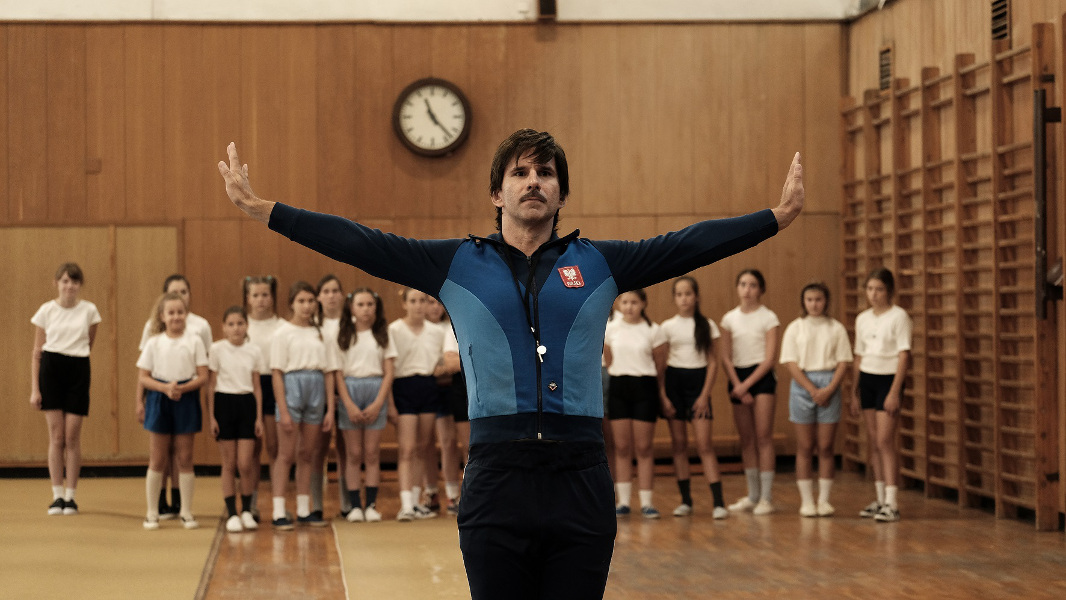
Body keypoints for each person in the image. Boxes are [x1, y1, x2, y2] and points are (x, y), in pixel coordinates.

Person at [219, 129, 803, 599]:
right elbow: (359, 242)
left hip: (580, 478)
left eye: (545, 173)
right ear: (496, 194)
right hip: (496, 480)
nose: (533, 181)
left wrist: (774, 217)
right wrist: (264, 210)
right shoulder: (454, 264)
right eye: (520, 172)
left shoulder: (600, 262)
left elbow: (690, 244)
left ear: (561, 195)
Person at [138, 274, 212, 520]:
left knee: (185, 457)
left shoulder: (194, 340)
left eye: (180, 312)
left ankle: (186, 511)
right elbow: (144, 377)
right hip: (160, 398)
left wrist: (183, 388)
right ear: (162, 316)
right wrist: (164, 389)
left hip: (186, 399)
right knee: (158, 457)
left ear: (186, 314)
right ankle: (152, 511)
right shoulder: (154, 342)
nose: (176, 317)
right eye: (171, 313)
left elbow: (203, 375)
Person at [30, 263, 102, 516]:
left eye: (74, 281)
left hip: (77, 368)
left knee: (72, 436)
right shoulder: (46, 311)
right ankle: (57, 495)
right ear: (56, 283)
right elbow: (37, 353)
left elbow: (89, 343)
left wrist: (75, 358)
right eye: (65, 281)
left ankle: (71, 496)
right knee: (56, 436)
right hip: (51, 369)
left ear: (80, 285)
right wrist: (35, 389)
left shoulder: (89, 311)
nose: (69, 286)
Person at [268, 281, 338, 529]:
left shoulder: (322, 333)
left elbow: (329, 372)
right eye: (301, 301)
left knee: (308, 453)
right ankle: (278, 510)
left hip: (316, 389)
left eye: (310, 301)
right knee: (286, 454)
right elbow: (277, 373)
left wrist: (330, 409)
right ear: (291, 304)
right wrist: (283, 409)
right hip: (292, 388)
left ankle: (304, 509)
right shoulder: (282, 333)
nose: (306, 306)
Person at [779, 282, 852, 517]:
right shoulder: (795, 328)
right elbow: (790, 362)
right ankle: (807, 501)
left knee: (826, 446)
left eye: (818, 299)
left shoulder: (836, 328)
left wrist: (829, 389)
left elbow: (843, 362)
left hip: (830, 384)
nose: (814, 304)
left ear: (826, 301)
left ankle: (824, 500)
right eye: (809, 300)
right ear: (803, 302)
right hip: (803, 385)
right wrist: (812, 389)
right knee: (805, 446)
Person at [659, 276, 729, 519]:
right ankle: (686, 501)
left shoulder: (707, 325)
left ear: (696, 296)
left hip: (698, 384)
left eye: (688, 294)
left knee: (704, 445)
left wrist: (704, 395)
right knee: (679, 445)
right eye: (679, 294)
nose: (684, 299)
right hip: (674, 384)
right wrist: (664, 396)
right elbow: (661, 366)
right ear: (674, 298)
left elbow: (713, 362)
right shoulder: (667, 327)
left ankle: (718, 503)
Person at [851, 268, 911, 523]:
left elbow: (903, 355)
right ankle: (879, 499)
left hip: (888, 379)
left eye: (879, 289)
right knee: (874, 441)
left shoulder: (899, 316)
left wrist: (895, 391)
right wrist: (854, 391)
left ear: (889, 291)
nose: (874, 294)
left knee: (885, 440)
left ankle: (892, 502)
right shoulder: (862, 319)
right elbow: (859, 356)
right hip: (867, 378)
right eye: (870, 289)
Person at [603, 289, 667, 519]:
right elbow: (609, 360)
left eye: (634, 302)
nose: (629, 306)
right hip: (619, 387)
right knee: (621, 447)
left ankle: (647, 503)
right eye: (624, 302)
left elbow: (660, 365)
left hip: (645, 388)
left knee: (644, 447)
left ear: (643, 304)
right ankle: (623, 502)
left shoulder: (654, 330)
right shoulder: (611, 328)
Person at [335, 288, 396, 522]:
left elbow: (389, 372)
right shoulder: (343, 335)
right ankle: (354, 506)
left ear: (376, 307)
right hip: (350, 390)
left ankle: (370, 504)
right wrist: (348, 404)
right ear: (351, 307)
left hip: (375, 389)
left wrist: (379, 402)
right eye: (360, 305)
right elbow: (338, 373)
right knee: (353, 453)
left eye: (370, 304)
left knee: (371, 453)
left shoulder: (382, 335)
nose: (366, 309)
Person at [389, 288, 445, 521]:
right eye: (413, 301)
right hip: (404, 387)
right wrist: (390, 403)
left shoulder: (436, 332)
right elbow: (389, 367)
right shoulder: (395, 330)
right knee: (408, 448)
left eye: (422, 300)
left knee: (423, 446)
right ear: (404, 304)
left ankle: (415, 501)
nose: (418, 305)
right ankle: (405, 504)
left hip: (428, 386)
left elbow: (441, 362)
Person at [207, 306, 265, 532]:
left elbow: (257, 387)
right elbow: (211, 386)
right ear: (223, 327)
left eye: (240, 323)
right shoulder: (217, 349)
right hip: (224, 403)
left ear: (246, 326)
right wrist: (212, 417)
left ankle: (247, 510)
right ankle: (232, 513)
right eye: (231, 324)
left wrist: (258, 418)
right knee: (229, 463)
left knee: (246, 463)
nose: (236, 328)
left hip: (246, 404)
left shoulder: (254, 351)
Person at [243, 275, 283, 517]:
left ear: (272, 297)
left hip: (274, 384)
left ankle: (279, 505)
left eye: (265, 295)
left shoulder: (282, 326)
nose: (260, 300)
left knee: (274, 447)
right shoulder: (242, 325)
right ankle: (251, 504)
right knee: (252, 450)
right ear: (248, 298)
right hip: (249, 387)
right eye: (255, 295)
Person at [425, 295, 462, 515]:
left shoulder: (451, 326)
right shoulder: (421, 329)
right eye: (429, 302)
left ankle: (452, 493)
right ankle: (430, 490)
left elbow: (448, 365)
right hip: (430, 389)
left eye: (438, 302)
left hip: (452, 387)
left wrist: (445, 368)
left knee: (449, 443)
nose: (435, 307)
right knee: (426, 443)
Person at [315, 274, 346, 520]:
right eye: (326, 291)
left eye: (335, 290)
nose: (331, 295)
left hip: (347, 390)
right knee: (317, 449)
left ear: (342, 295)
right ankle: (316, 504)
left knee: (347, 450)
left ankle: (348, 503)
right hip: (320, 391)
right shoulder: (313, 325)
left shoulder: (351, 323)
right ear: (319, 297)